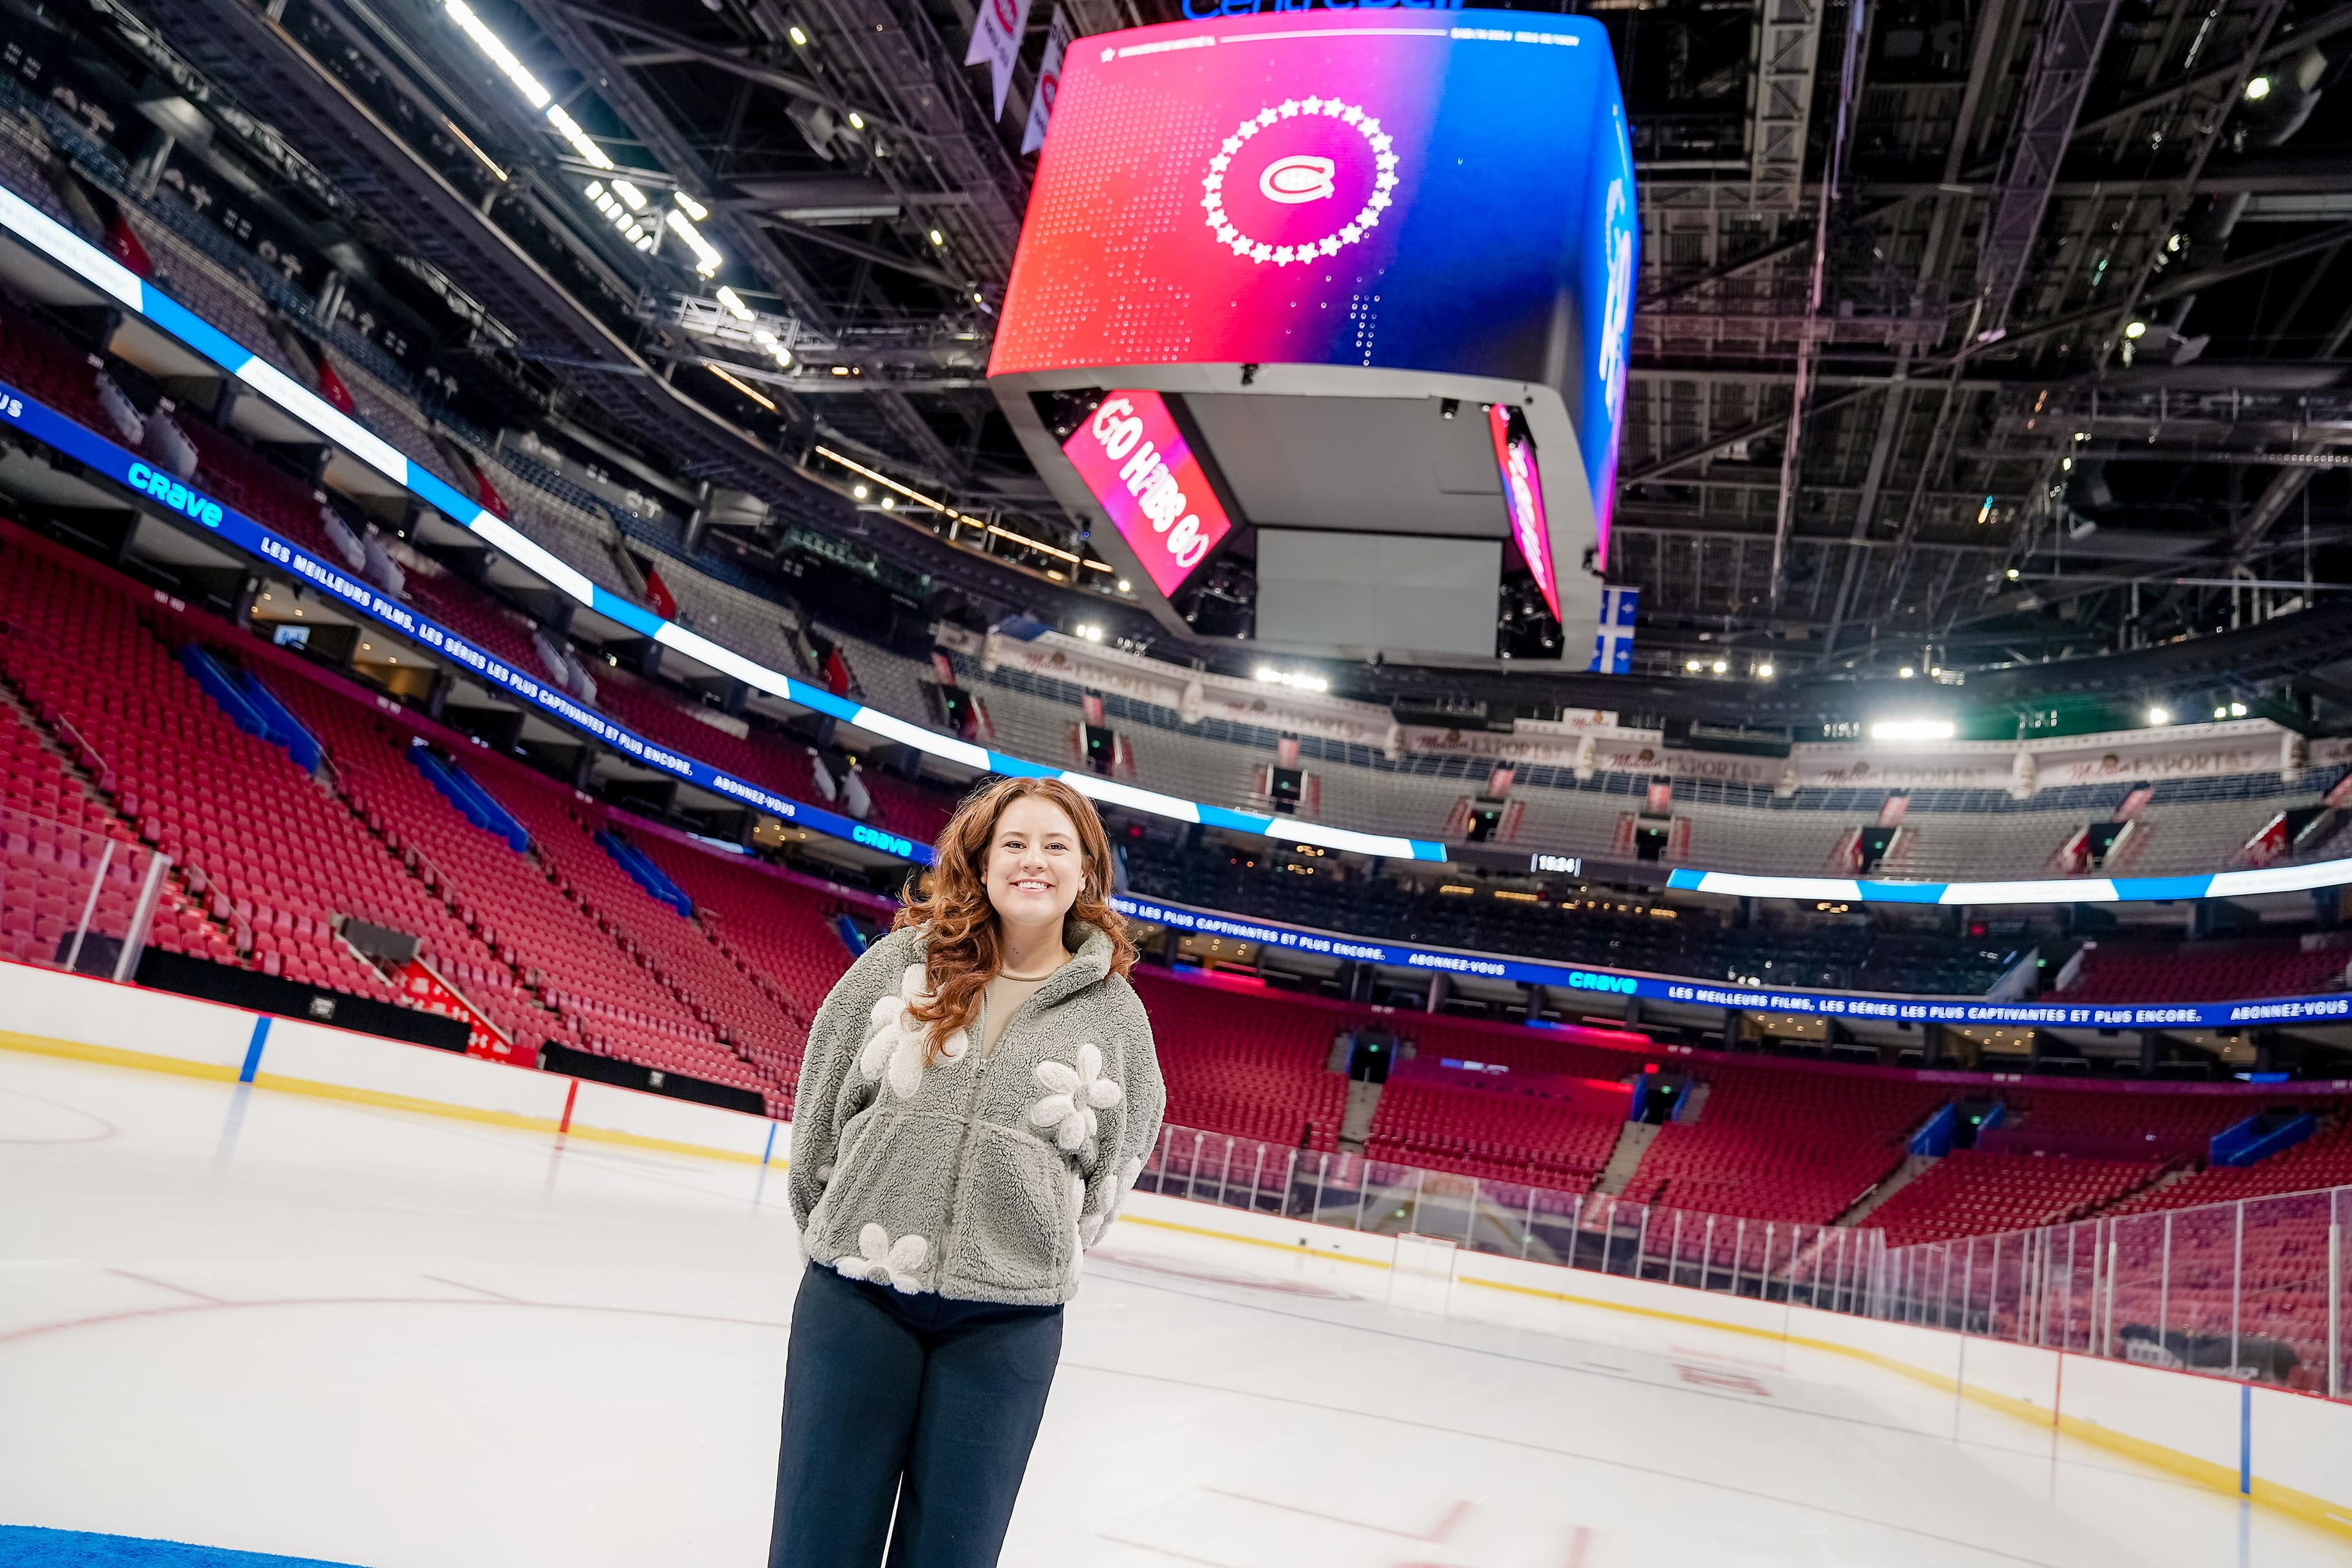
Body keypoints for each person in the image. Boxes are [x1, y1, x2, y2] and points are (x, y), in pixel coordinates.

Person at [770, 775, 1165, 1568]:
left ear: (1087, 872)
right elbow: (819, 1122)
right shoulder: (898, 967)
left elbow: (1111, 1170)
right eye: (1014, 843)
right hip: (858, 1297)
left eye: (1058, 846)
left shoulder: (1116, 1015)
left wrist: (1026, 1252)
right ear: (981, 862)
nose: (1034, 861)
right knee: (817, 1544)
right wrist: (842, 1226)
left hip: (1006, 1325)